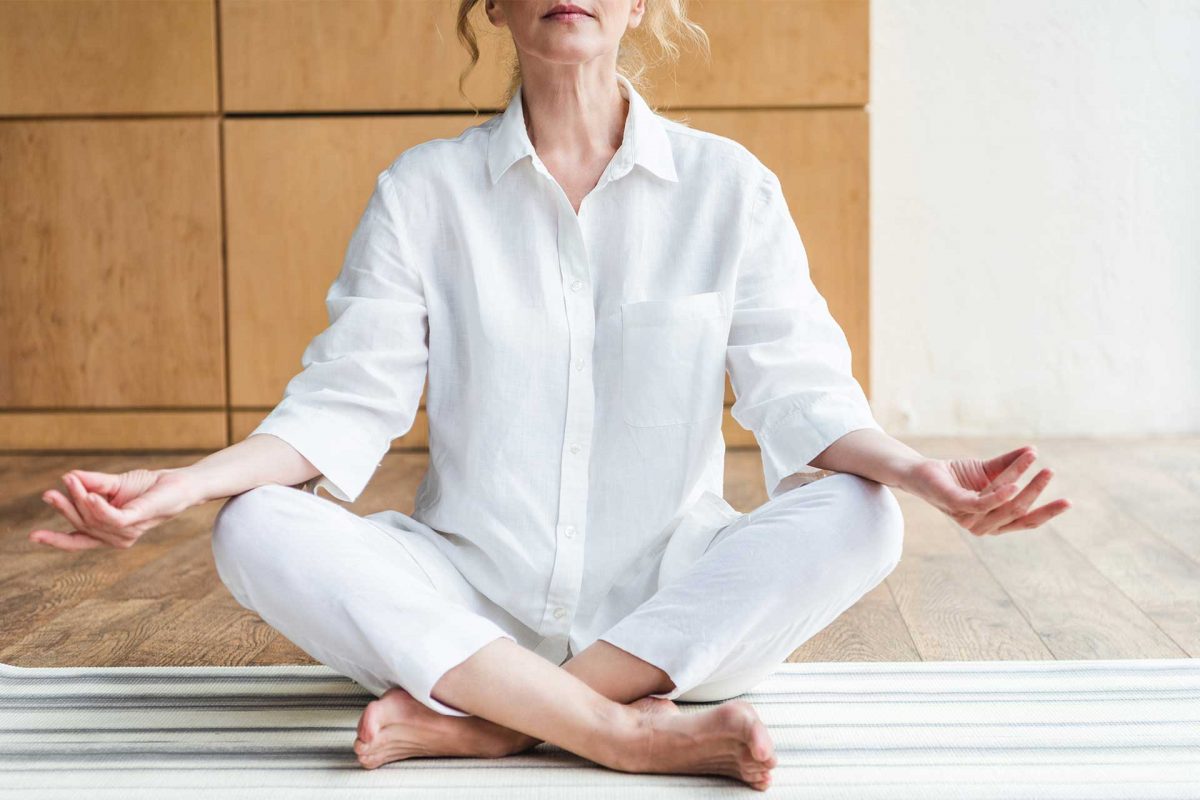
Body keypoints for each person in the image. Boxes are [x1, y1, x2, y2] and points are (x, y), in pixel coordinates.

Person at [28, 0, 1071, 791]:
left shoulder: (730, 188)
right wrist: (182, 486)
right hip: (461, 599)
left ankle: (494, 720)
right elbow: (343, 403)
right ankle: (617, 729)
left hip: (669, 603)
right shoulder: (424, 191)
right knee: (252, 526)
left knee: (862, 514)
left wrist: (922, 471)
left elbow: (804, 394)